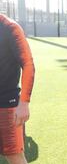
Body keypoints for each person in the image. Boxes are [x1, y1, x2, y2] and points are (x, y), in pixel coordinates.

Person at [0, 14, 35, 164]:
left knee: (14, 155)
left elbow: (28, 64)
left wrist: (24, 103)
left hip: (7, 104)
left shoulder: (10, 27)